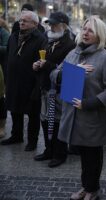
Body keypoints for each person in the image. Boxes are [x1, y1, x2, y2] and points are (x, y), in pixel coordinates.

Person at [51, 16, 106, 200]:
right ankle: (86, 186)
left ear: (100, 34)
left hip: (92, 117)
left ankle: (92, 189)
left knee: (92, 156)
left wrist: (88, 103)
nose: (86, 33)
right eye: (84, 29)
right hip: (72, 115)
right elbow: (55, 74)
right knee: (83, 156)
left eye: (91, 30)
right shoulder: (74, 53)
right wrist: (74, 71)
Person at [32, 12, 76, 167]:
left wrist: (46, 65)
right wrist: (36, 65)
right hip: (45, 88)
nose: (51, 26)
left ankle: (59, 153)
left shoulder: (70, 45)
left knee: (57, 122)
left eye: (54, 24)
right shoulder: (48, 41)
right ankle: (48, 150)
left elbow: (68, 72)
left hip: (59, 90)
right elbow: (45, 61)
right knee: (45, 120)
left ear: (63, 25)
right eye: (50, 24)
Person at [1, 11, 47, 151]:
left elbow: (42, 60)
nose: (21, 23)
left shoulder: (40, 39)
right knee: (15, 110)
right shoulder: (14, 36)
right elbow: (9, 55)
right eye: (21, 20)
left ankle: (32, 141)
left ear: (35, 23)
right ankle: (16, 135)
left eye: (25, 21)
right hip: (14, 80)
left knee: (32, 113)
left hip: (30, 82)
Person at [0, 18, 9, 138]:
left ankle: (1, 126)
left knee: (0, 99)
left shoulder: (3, 32)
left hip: (1, 68)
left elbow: (7, 48)